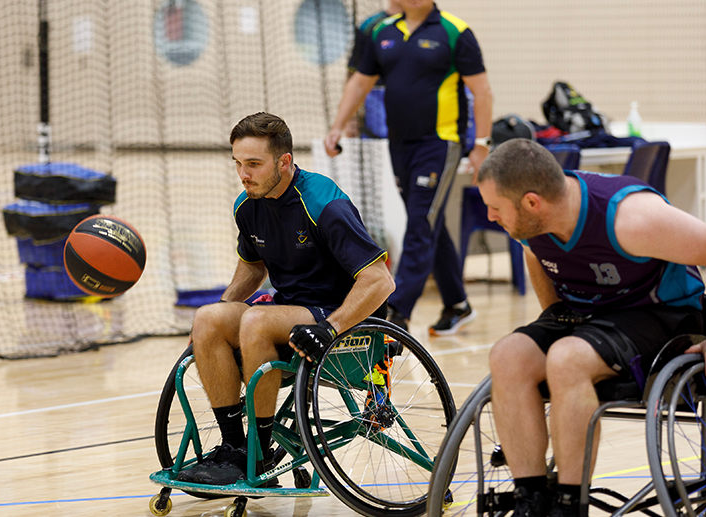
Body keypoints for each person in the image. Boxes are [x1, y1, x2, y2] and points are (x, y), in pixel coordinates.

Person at [478, 138, 706, 517]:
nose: (489, 216)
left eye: (495, 207)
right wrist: (554, 312)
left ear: (533, 202)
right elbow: (534, 253)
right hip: (591, 311)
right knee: (507, 355)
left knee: (567, 359)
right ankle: (530, 498)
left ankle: (570, 504)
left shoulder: (630, 218)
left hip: (660, 314)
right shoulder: (530, 222)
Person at [177, 112, 395, 487]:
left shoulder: (323, 202)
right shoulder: (247, 206)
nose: (244, 174)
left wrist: (331, 327)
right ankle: (234, 449)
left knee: (256, 320)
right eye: (239, 164)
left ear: (284, 162)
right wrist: (218, 315)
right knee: (208, 318)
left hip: (343, 321)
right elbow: (251, 268)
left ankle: (259, 456)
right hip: (291, 314)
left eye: (254, 164)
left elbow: (380, 281)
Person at [324, 0, 493, 336]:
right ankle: (457, 303)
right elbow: (361, 81)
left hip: (440, 143)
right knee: (430, 221)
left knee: (419, 222)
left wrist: (481, 144)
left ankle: (396, 313)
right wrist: (338, 125)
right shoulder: (381, 32)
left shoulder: (455, 32)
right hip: (399, 144)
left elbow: (482, 91)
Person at [344, 0, 402, 138]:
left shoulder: (427, 26)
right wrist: (350, 118)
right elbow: (353, 73)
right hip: (376, 106)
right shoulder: (370, 26)